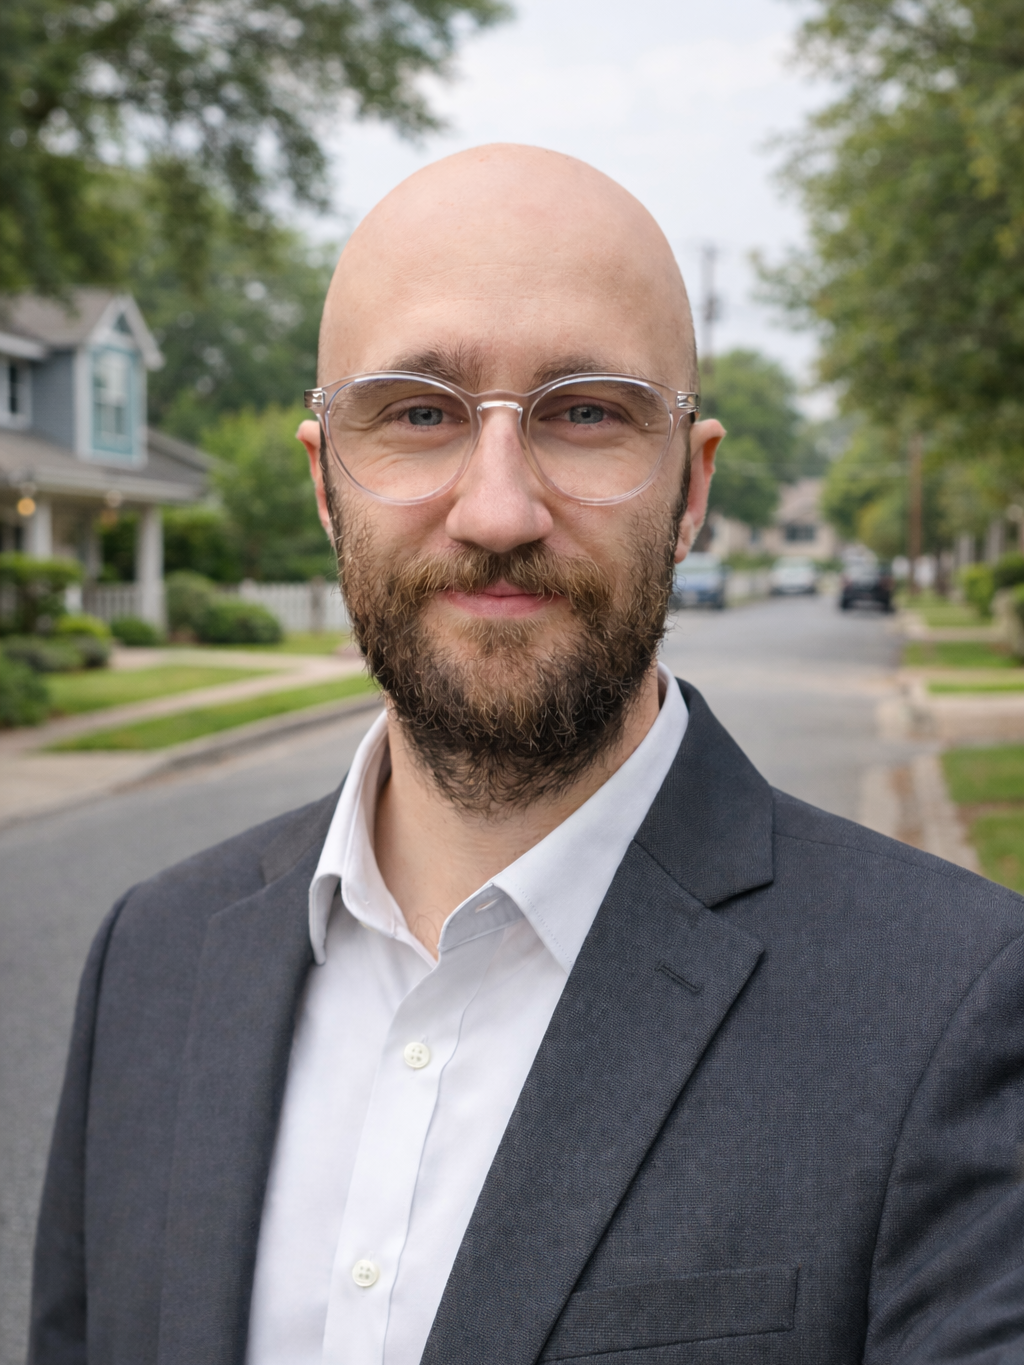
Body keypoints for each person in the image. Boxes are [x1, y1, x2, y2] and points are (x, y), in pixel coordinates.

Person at [29, 145, 1024, 1365]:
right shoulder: (150, 959)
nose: (497, 510)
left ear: (692, 484)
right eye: (418, 414)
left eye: (587, 413)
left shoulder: (957, 1003)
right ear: (324, 483)